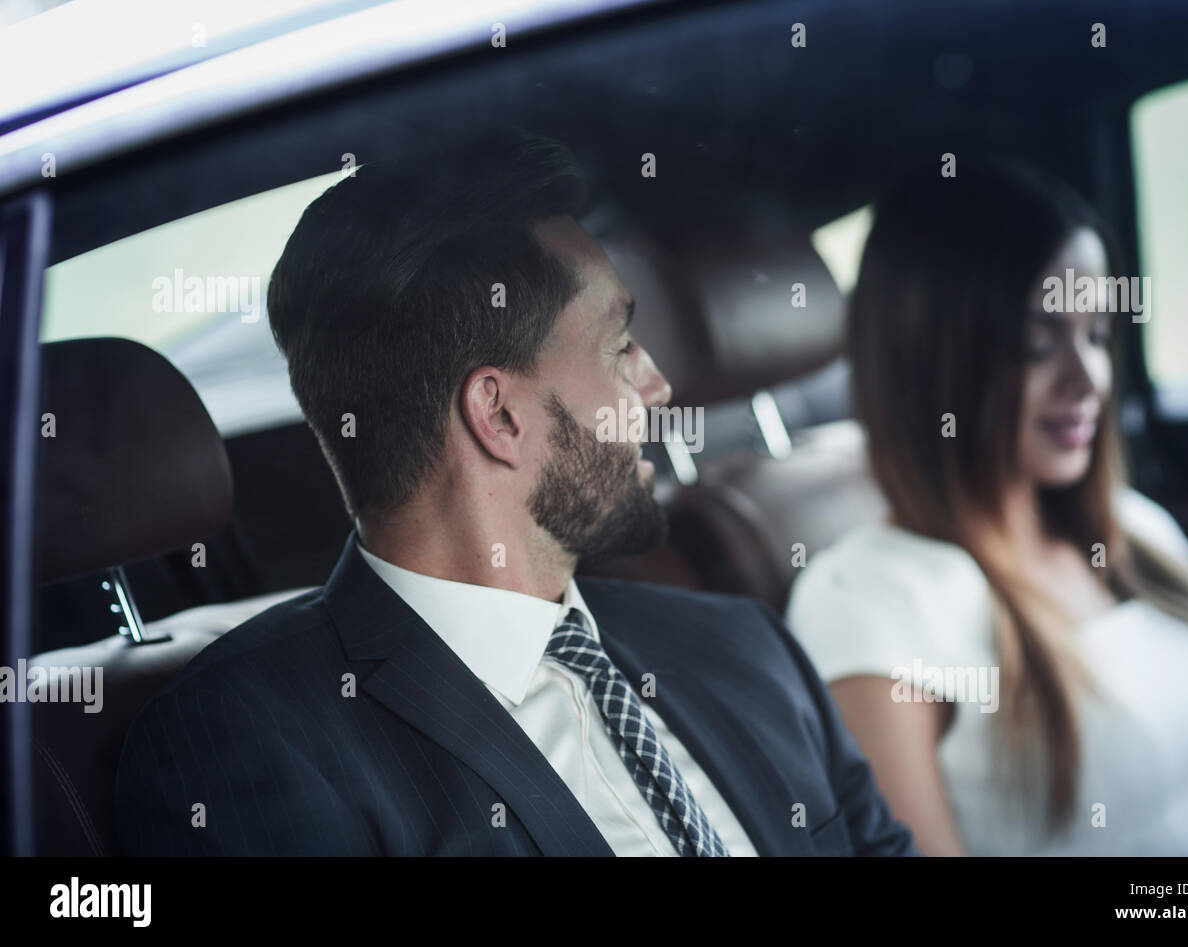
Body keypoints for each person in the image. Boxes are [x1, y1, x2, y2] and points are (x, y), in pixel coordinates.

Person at [113, 130, 916, 857]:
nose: (659, 385)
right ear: (498, 414)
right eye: (620, 346)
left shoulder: (743, 648)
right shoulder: (252, 745)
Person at [786, 160, 1188, 856]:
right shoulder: (867, 598)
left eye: (1096, 335)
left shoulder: (1134, 524)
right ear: (932, 357)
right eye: (1036, 343)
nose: (1088, 379)